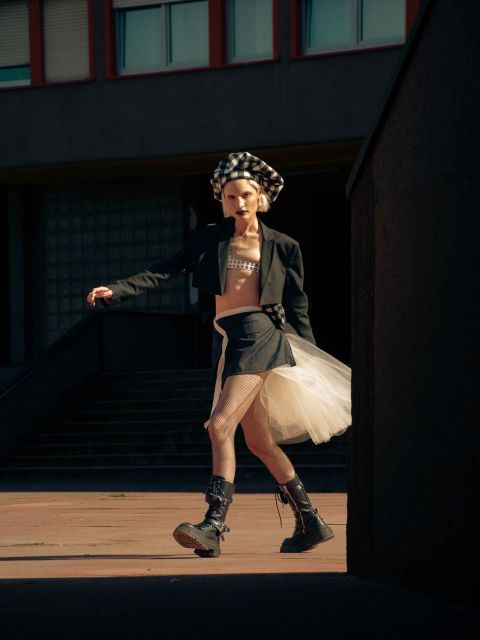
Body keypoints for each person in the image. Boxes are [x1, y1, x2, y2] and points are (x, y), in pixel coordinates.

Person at [86, 152, 351, 558]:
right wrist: (117, 290)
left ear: (260, 196)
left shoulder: (283, 246)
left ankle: (213, 524)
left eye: (246, 195)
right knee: (258, 442)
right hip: (225, 336)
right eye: (230, 197)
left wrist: (308, 355)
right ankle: (310, 520)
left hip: (259, 334)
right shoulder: (213, 239)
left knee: (220, 424)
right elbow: (166, 268)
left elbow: (297, 304)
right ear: (222, 201)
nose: (238, 202)